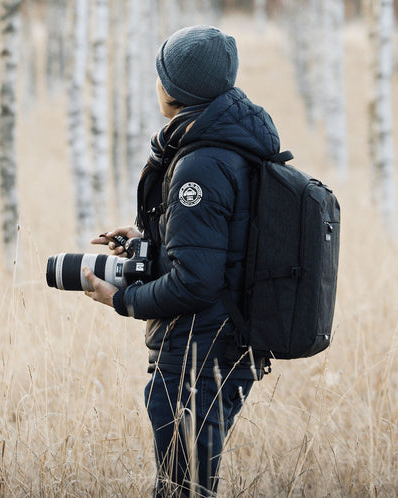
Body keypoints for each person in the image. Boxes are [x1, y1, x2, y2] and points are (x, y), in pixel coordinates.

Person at [81, 25, 281, 497]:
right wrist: (150, 236)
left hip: (199, 349)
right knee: (188, 483)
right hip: (225, 340)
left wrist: (122, 299)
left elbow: (195, 282)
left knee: (182, 487)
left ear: (172, 90)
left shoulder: (200, 163)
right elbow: (224, 238)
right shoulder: (231, 142)